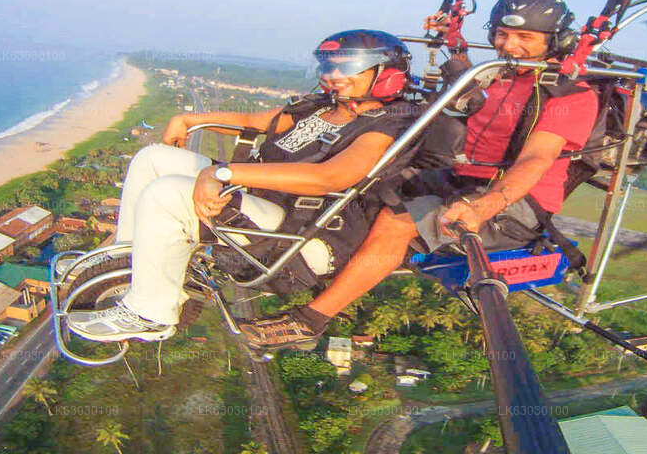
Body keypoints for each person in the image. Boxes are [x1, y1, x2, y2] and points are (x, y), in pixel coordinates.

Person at [239, 0, 599, 350]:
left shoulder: (570, 96)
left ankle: (312, 320)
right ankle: (296, 257)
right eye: (502, 35)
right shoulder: (500, 78)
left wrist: (483, 207)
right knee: (371, 182)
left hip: (517, 202)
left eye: (525, 38)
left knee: (398, 223)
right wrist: (454, 46)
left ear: (557, 41)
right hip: (464, 178)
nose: (509, 45)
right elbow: (467, 100)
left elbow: (535, 161)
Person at [67, 30, 420, 342]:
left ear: (386, 74)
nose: (333, 76)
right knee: (153, 158)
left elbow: (330, 178)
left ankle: (151, 314)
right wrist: (190, 120)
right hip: (266, 206)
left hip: (305, 237)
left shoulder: (387, 124)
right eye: (328, 66)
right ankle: (127, 266)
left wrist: (223, 174)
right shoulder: (322, 106)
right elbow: (256, 124)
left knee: (168, 194)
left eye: (347, 67)